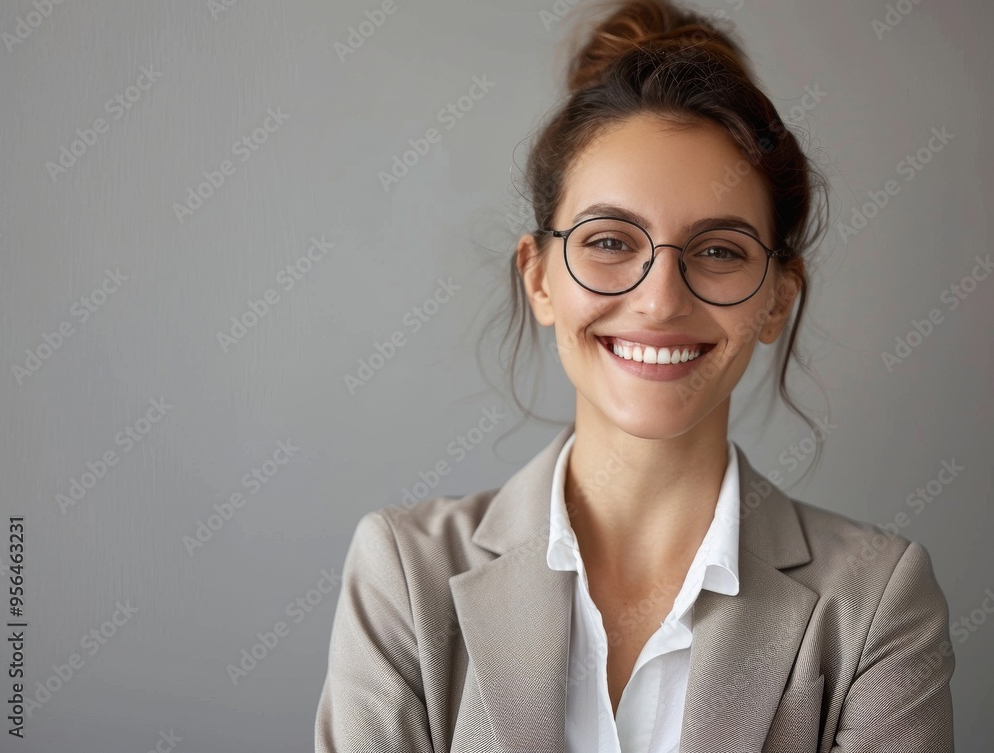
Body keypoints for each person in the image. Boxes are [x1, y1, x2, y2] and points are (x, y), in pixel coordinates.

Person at [314, 1, 955, 750]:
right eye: (611, 240)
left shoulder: (878, 601)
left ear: (779, 296)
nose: (659, 299)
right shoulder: (403, 573)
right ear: (540, 277)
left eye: (719, 250)